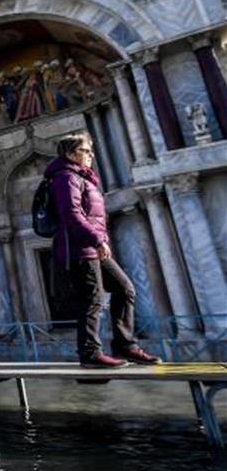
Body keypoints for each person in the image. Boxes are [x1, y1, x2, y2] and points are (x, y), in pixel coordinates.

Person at [47, 132, 160, 367]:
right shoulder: (65, 177)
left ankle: (124, 345)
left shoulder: (82, 177)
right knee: (92, 299)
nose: (91, 155)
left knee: (124, 288)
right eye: (85, 151)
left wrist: (98, 240)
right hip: (78, 248)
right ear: (69, 154)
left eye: (90, 151)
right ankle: (90, 353)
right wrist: (98, 239)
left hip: (90, 245)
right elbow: (71, 215)